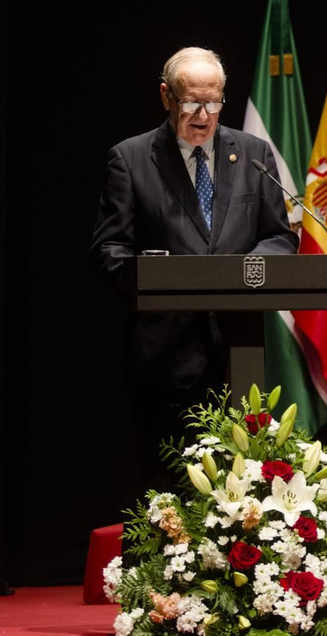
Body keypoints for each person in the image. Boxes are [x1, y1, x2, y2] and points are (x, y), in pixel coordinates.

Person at [90, 46, 298, 476]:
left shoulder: (254, 154)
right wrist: (153, 278)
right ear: (166, 96)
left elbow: (279, 236)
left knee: (242, 489)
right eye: (191, 102)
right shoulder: (130, 159)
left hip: (240, 353)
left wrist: (242, 273)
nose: (203, 115)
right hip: (164, 357)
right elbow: (108, 250)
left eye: (213, 102)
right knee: (170, 493)